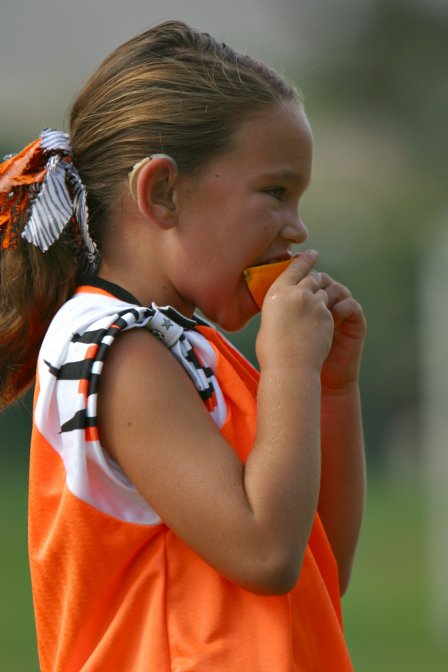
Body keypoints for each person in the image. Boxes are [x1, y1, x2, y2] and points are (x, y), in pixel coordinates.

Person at [0, 20, 367, 671]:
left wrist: (329, 386)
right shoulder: (113, 347)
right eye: (276, 192)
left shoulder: (186, 344)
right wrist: (285, 365)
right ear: (163, 192)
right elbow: (266, 552)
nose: (298, 225)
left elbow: (316, 563)